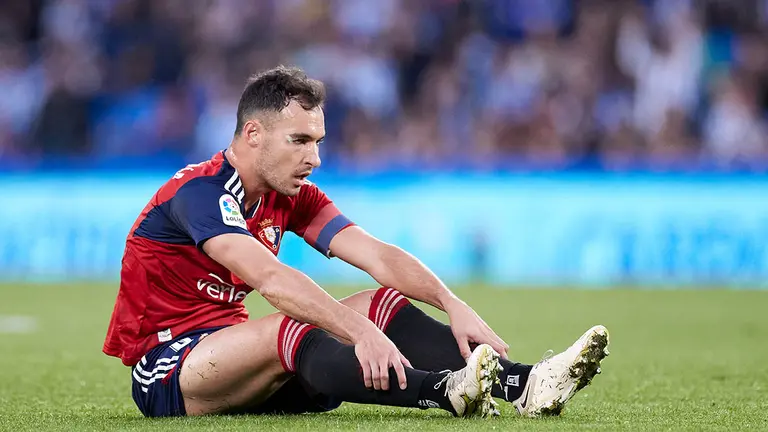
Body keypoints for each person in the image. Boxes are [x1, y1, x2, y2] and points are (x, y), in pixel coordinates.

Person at [103, 66, 610, 419]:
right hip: (171, 369)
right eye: (299, 141)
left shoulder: (291, 194)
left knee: (381, 302)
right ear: (252, 134)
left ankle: (528, 385)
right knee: (295, 323)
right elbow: (273, 281)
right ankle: (444, 392)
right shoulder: (200, 194)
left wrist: (450, 302)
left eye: (318, 142)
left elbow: (377, 255)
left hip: (241, 364)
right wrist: (356, 331)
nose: (315, 158)